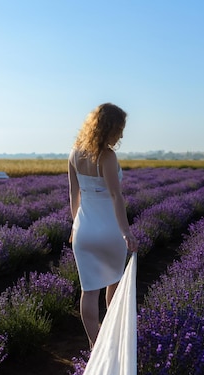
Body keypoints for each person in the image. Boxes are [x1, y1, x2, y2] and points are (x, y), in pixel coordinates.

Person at [68, 102, 139, 348]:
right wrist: (126, 232)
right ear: (109, 128)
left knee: (88, 291)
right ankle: (112, 342)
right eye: (120, 128)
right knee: (114, 286)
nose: (121, 134)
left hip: (84, 232)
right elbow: (115, 197)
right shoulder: (107, 156)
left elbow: (73, 196)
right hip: (109, 231)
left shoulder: (74, 153)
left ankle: (93, 344)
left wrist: (75, 227)